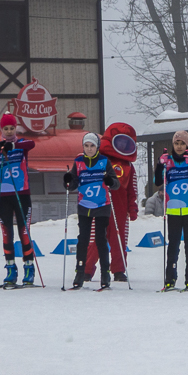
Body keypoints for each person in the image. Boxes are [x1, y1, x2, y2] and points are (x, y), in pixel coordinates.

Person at [0, 112, 37, 286]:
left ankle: (29, 267)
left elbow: (32, 143)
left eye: (11, 128)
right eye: (5, 128)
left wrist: (12, 146)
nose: (8, 131)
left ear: (15, 128)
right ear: (1, 129)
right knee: (7, 233)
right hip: (4, 196)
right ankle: (10, 268)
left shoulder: (21, 144)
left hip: (22, 194)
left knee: (24, 232)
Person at [84, 123, 139, 283]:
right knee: (97, 238)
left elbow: (132, 189)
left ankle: (119, 270)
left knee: (119, 239)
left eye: (125, 143)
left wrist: (132, 208)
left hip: (120, 208)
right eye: (118, 142)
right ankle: (87, 269)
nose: (121, 145)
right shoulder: (99, 161)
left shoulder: (128, 166)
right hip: (100, 204)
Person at [64, 133, 120, 289]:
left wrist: (110, 181)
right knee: (83, 239)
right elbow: (73, 184)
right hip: (84, 206)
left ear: (97, 147)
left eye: (92, 146)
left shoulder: (104, 162)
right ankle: (79, 272)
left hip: (102, 205)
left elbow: (116, 184)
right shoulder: (79, 162)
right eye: (86, 146)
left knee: (101, 239)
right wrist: (68, 181)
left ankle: (105, 273)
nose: (89, 149)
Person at [154, 130, 188, 291]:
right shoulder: (167, 161)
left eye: (182, 143)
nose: (179, 146)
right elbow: (157, 181)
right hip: (173, 210)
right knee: (173, 245)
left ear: (187, 144)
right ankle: (170, 279)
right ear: (173, 145)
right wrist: (160, 165)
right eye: (177, 143)